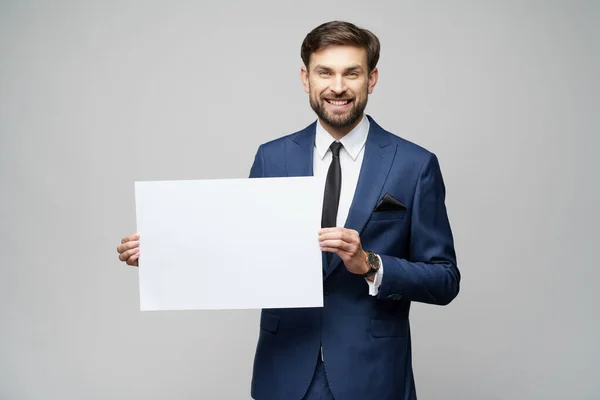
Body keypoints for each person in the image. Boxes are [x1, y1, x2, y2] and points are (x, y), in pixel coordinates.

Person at [117, 20, 460, 400]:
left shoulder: (414, 164)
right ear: (305, 78)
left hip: (374, 375)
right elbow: (237, 250)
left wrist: (371, 264)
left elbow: (444, 280)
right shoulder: (272, 157)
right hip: (285, 372)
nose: (338, 87)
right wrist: (166, 255)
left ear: (372, 79)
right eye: (324, 72)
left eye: (352, 73)